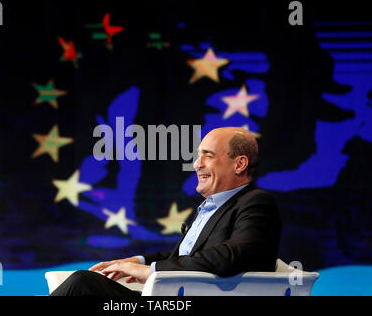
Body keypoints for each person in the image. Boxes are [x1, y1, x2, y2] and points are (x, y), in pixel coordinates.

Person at [50, 127, 281, 296]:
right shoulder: (213, 207)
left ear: (239, 164)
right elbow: (186, 258)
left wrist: (150, 270)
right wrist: (135, 261)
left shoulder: (257, 202)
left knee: (83, 284)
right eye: (198, 155)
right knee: (84, 284)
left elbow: (233, 256)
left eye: (208, 156)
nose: (197, 164)